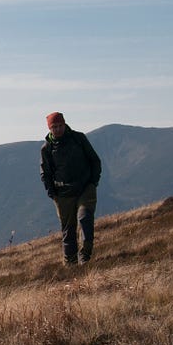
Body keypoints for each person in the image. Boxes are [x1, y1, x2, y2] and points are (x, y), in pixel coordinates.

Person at [40, 112, 102, 265]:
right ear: (49, 128)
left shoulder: (78, 139)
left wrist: (93, 182)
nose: (58, 129)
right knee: (68, 230)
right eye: (54, 127)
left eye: (60, 125)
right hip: (62, 194)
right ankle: (71, 265)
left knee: (85, 218)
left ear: (65, 124)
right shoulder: (47, 148)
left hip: (85, 188)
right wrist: (53, 194)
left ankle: (85, 257)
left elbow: (94, 160)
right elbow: (45, 174)